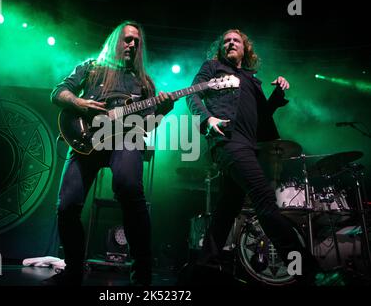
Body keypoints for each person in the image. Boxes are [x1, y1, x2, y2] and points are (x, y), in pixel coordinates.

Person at [186, 29, 329, 285]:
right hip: (228, 142)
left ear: (245, 49)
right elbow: (192, 93)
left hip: (249, 146)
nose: (230, 43)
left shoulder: (252, 80)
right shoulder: (212, 67)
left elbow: (262, 118)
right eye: (226, 40)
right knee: (265, 203)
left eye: (236, 40)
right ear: (221, 48)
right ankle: (310, 272)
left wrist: (278, 94)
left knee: (226, 211)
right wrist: (207, 119)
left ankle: (203, 266)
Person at [47, 21, 173, 286]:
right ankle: (73, 271)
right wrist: (80, 103)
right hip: (85, 138)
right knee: (67, 205)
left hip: (126, 137)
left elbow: (147, 124)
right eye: (127, 39)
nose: (132, 44)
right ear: (116, 41)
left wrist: (163, 110)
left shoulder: (144, 82)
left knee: (129, 188)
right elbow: (58, 93)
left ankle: (142, 276)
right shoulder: (92, 66)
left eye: (136, 42)